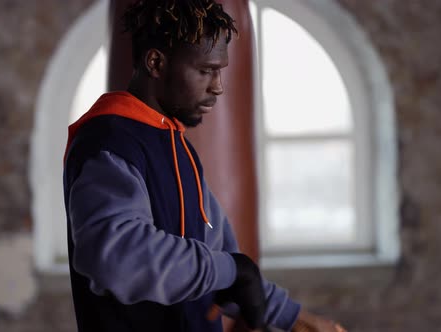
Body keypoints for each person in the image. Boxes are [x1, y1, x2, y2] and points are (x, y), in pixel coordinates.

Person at [63, 1, 347, 331]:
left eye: (221, 71)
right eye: (205, 71)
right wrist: (232, 270)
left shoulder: (179, 149)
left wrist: (293, 318)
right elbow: (119, 259)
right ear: (156, 62)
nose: (219, 86)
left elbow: (222, 258)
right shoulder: (110, 142)